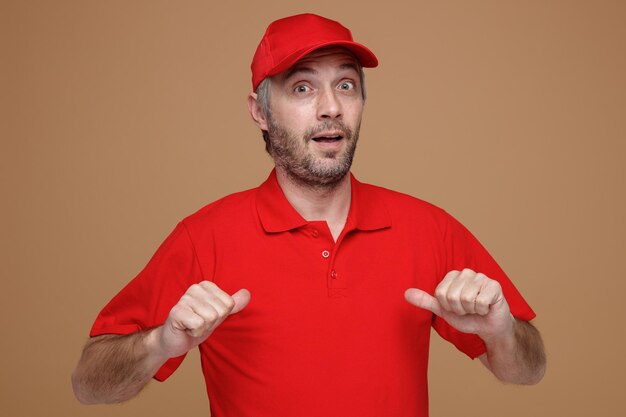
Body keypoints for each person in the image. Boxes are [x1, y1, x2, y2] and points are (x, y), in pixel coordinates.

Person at [72, 13, 545, 417]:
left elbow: (528, 370)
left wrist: (502, 332)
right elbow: (89, 384)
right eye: (302, 87)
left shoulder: (429, 229)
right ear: (260, 110)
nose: (331, 108)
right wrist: (161, 344)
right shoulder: (204, 237)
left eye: (346, 84)